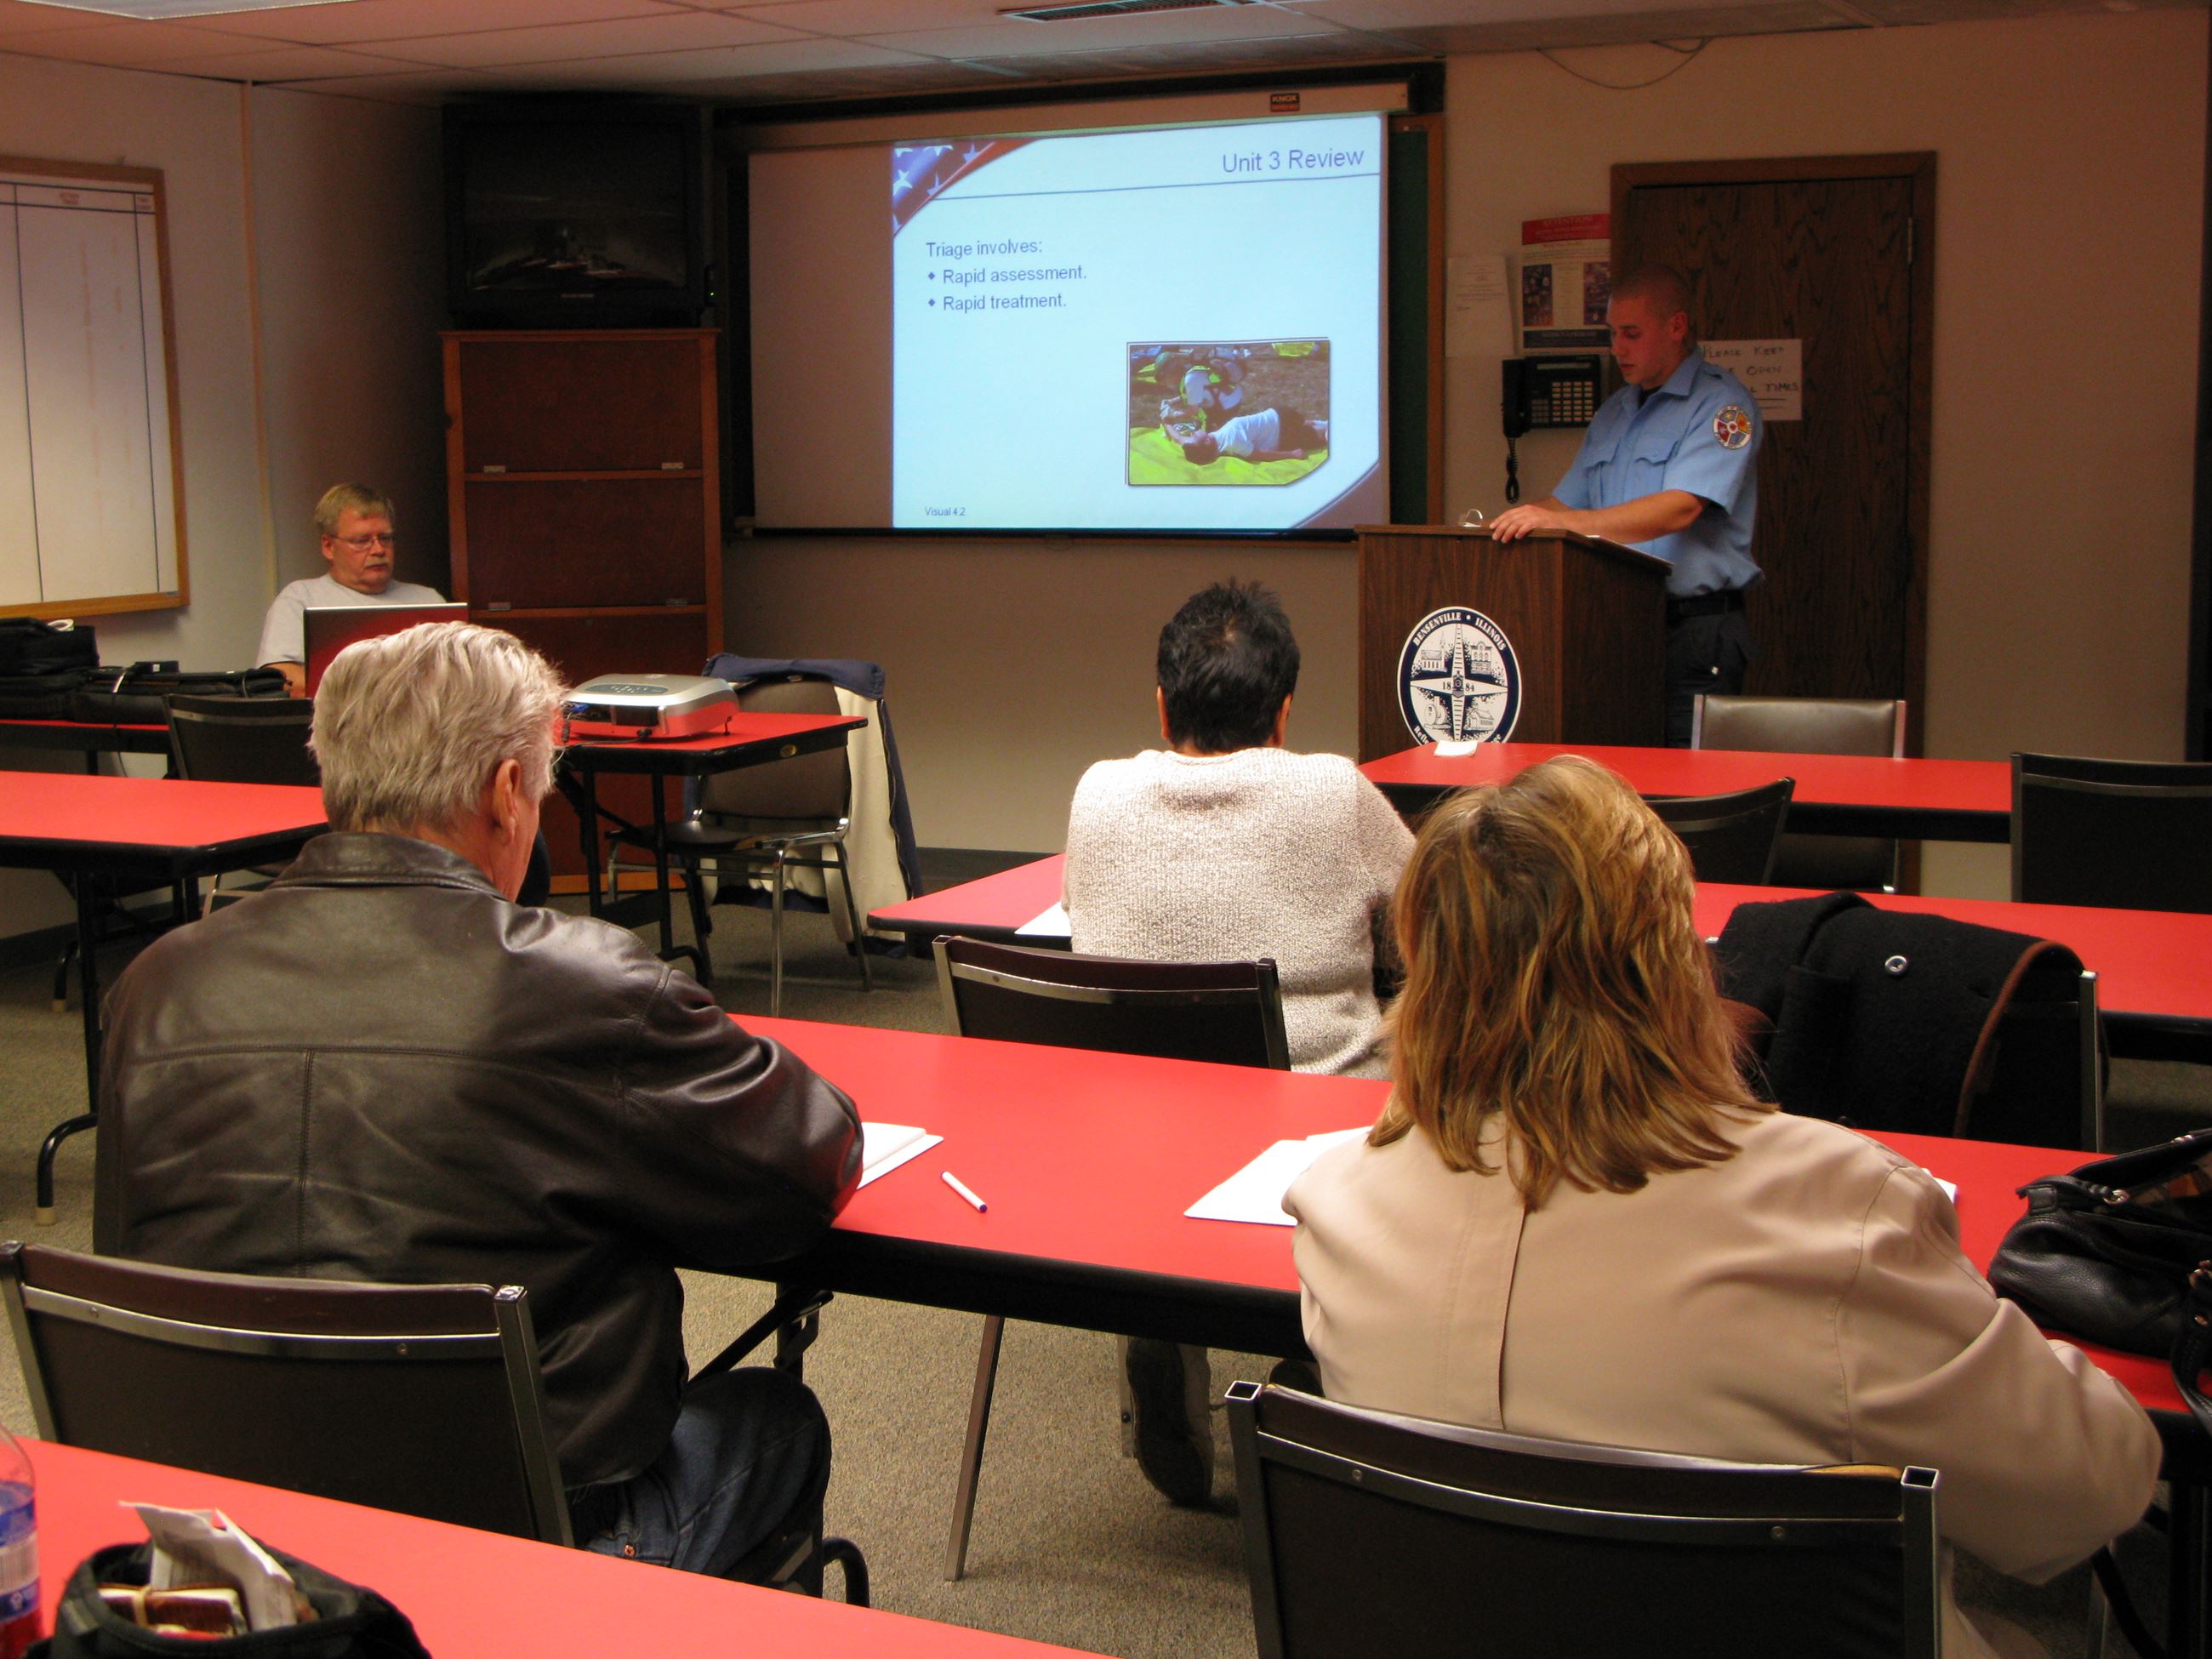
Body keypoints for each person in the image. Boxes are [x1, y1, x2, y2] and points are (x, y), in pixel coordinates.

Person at [1285, 755, 2160, 1659]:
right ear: (1671, 962)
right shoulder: (1836, 1214)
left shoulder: (1336, 1211)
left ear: (1422, 973)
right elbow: (2084, 1497)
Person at [94, 620, 864, 1580]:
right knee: (772, 1422)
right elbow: (802, 1169)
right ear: (508, 790)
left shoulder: (155, 983)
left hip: (225, 1533)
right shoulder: (587, 985)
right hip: (512, 1539)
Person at [1063, 579, 1413, 1508]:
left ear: (1160, 705)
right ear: (1285, 711)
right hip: (1319, 1145)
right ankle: (1306, 1376)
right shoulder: (1334, 792)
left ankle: (1166, 1322)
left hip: (1132, 1145)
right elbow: (1426, 935)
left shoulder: (1097, 793)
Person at [1489, 265, 1763, 745]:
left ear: (1676, 327)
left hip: (1694, 629)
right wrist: (1507, 526)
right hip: (1614, 626)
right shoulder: (1616, 410)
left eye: (1632, 334)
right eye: (1614, 334)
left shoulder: (1722, 406)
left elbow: (1680, 508)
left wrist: (1566, 521)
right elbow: (1564, 502)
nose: (1618, 348)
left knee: (1686, 791)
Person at [257, 483, 444, 696]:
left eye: (385, 538)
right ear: (328, 546)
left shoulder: (427, 600)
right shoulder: (300, 599)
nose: (378, 550)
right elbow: (281, 676)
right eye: (362, 541)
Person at [1172, 407, 1328, 467]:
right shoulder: (1232, 440)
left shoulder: (1205, 446)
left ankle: (1322, 426)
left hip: (1282, 420)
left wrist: (1166, 422)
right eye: (1194, 436)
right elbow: (1259, 454)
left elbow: (1179, 439)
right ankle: (1326, 427)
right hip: (1283, 427)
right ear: (1207, 441)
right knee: (1319, 436)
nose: (1192, 433)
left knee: (1311, 432)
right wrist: (1292, 454)